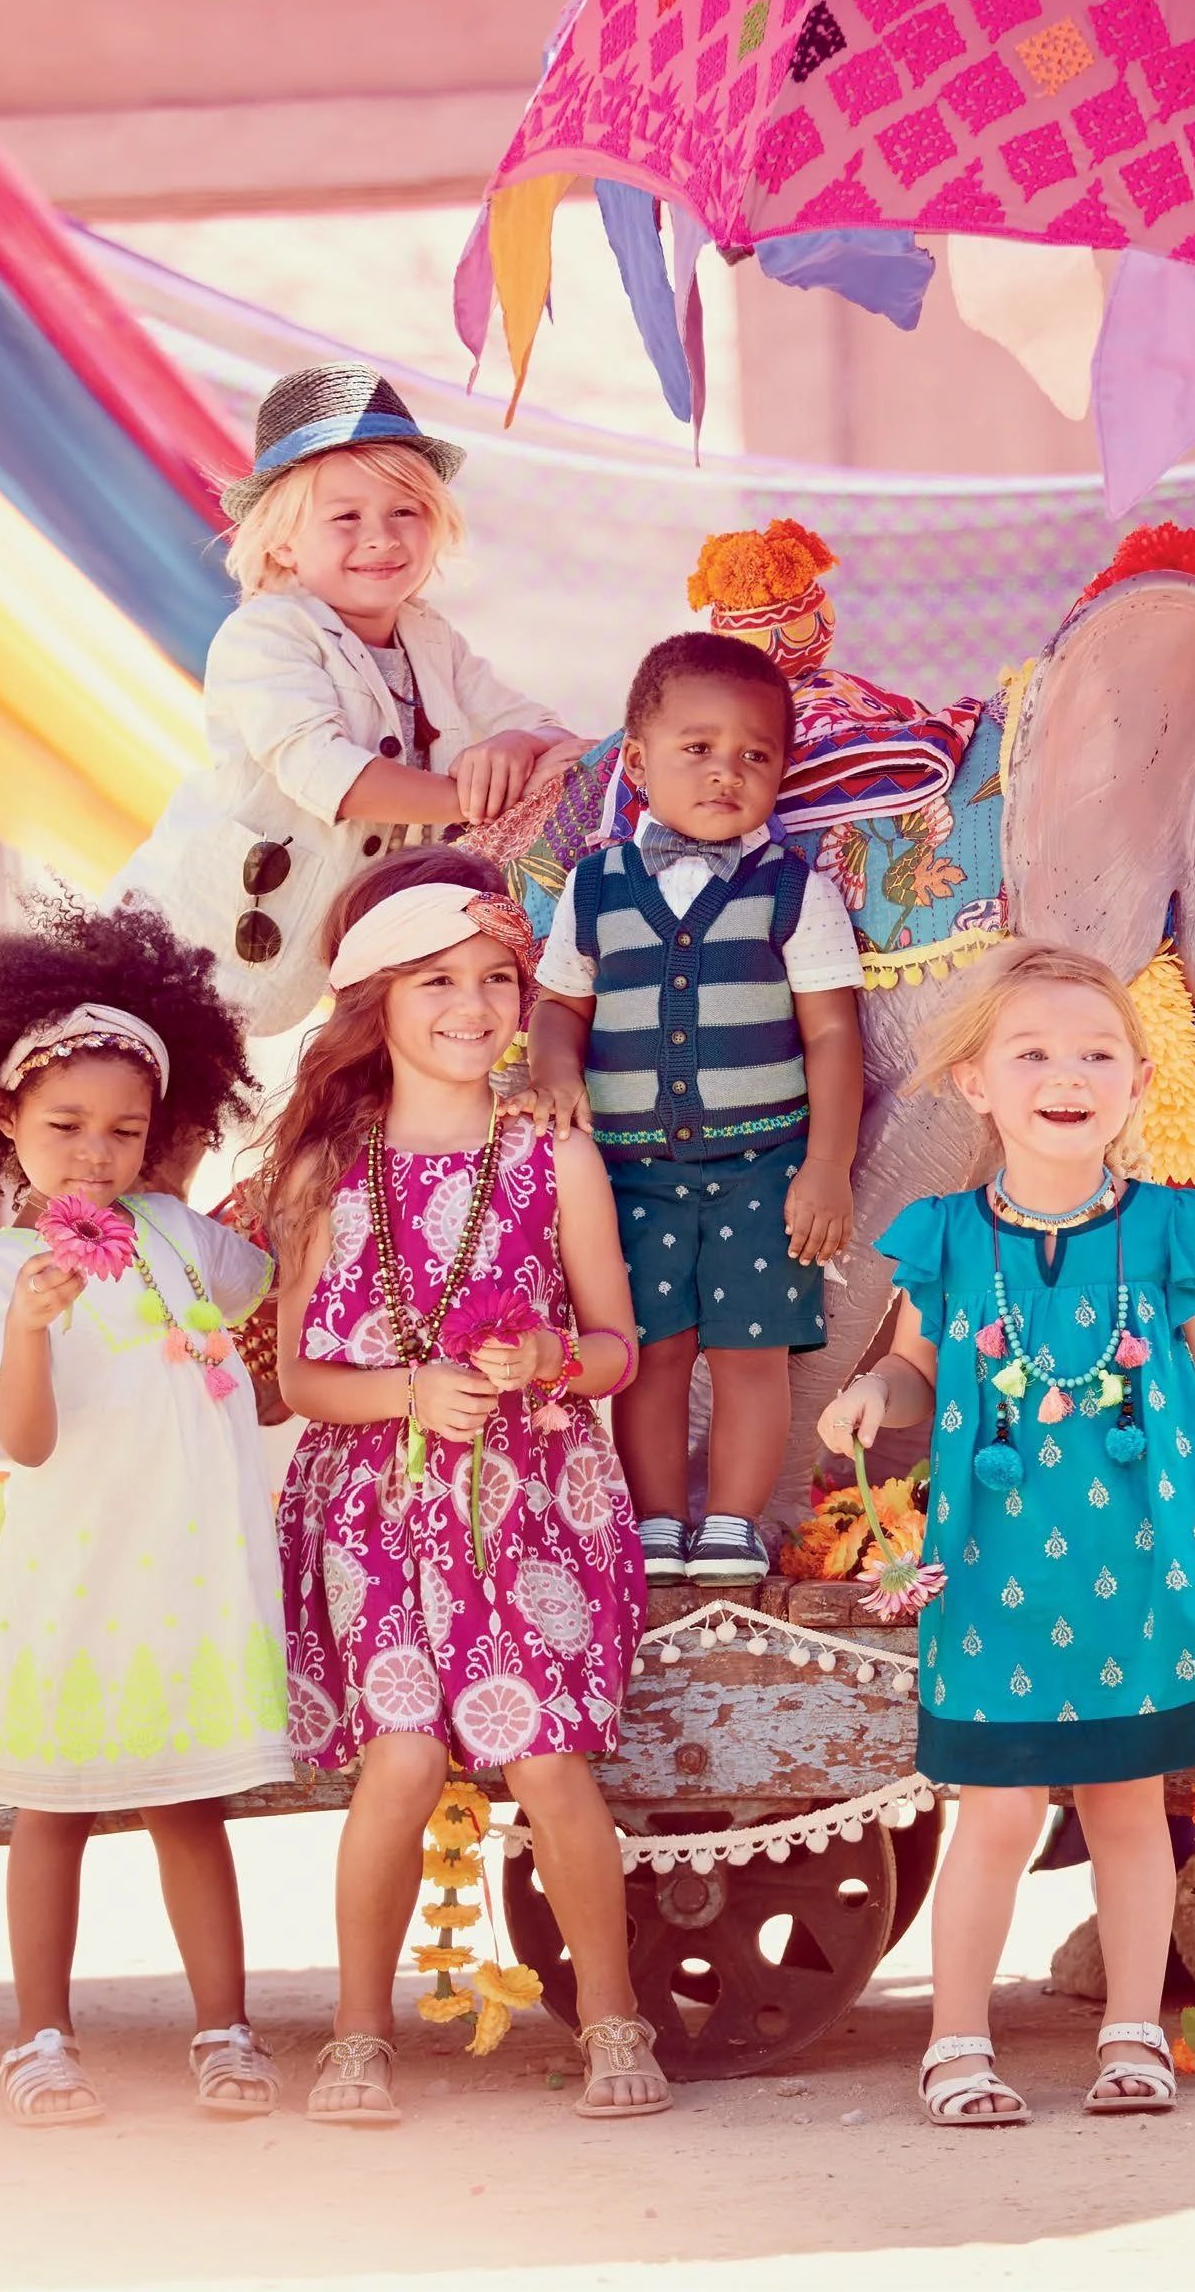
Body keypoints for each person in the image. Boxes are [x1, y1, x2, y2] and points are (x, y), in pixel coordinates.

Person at [816, 941, 1195, 2125]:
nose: (1065, 1073)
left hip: (1145, 1554)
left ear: (1138, 1084)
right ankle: (954, 2042)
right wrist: (874, 1392)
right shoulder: (943, 1235)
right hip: (995, 1565)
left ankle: (1130, 2033)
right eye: (1029, 1052)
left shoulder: (1173, 1227)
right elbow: (913, 1369)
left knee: (1125, 1800)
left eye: (1094, 1053)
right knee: (997, 1807)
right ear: (975, 1083)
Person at [260, 847, 664, 2126]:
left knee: (543, 1758)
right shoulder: (328, 1169)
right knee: (399, 1756)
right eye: (436, 978)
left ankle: (613, 2016)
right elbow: (301, 1377)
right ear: (374, 997)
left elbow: (617, 1348)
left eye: (497, 977)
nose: (473, 1004)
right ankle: (357, 2034)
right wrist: (405, 1393)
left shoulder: (553, 1157)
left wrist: (549, 1357)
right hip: (373, 1508)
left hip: (528, 1503)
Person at [0, 897, 291, 2127]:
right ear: (4, 1117)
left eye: (125, 1129)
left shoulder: (179, 1235)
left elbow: (270, 1273)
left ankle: (225, 2029)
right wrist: (28, 1328)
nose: (94, 1154)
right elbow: (26, 1440)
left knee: (186, 1802)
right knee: (51, 1806)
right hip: (74, 1574)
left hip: (190, 1576)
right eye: (64, 1126)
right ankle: (41, 2038)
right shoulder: (6, 1268)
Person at [525, 632, 864, 1587]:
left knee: (753, 1352)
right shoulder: (595, 889)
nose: (726, 771)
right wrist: (553, 1068)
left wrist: (825, 1166)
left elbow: (833, 1035)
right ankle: (656, 1521)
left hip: (765, 1167)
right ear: (637, 764)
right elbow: (559, 1006)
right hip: (630, 1173)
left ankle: (733, 1523)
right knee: (651, 1350)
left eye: (755, 754)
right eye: (698, 748)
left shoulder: (794, 892)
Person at [110, 362, 581, 1037]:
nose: (381, 537)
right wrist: (470, 800)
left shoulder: (431, 640)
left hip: (299, 970)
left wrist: (515, 742)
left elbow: (550, 733)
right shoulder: (267, 635)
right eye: (346, 517)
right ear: (283, 541)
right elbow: (326, 772)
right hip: (181, 941)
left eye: (404, 512)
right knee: (139, 1085)